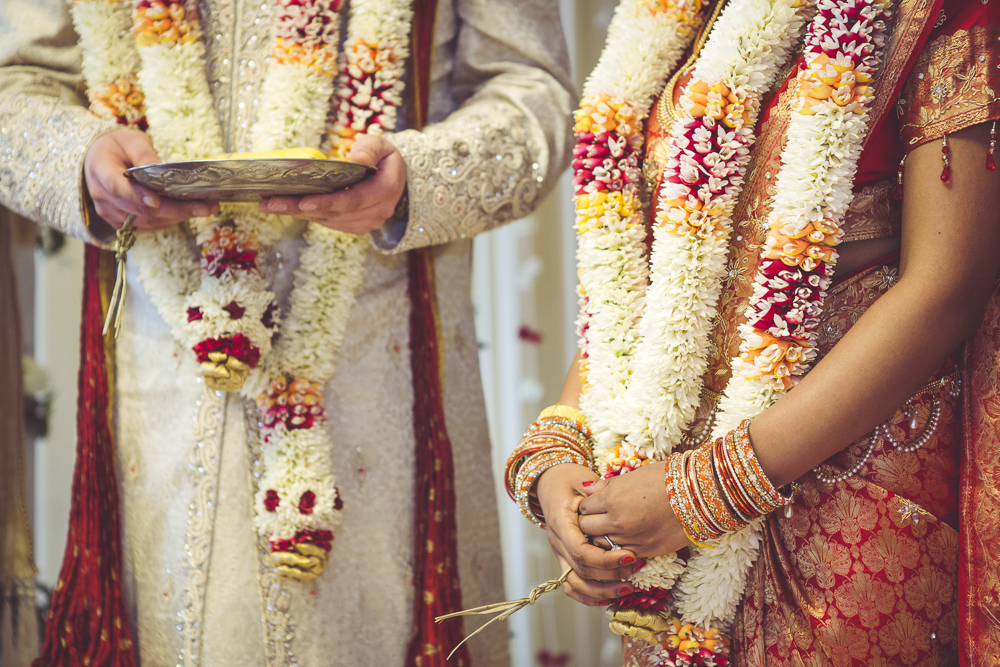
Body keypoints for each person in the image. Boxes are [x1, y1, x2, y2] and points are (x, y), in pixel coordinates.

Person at [0, 0, 573, 665]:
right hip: (163, 373)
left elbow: (535, 93)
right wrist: (83, 159)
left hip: (378, 372)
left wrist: (412, 179)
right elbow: (14, 87)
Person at [505, 0, 1000, 663]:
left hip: (849, 500)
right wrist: (563, 450)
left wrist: (712, 486)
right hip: (667, 502)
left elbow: (948, 287)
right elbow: (647, 280)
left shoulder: (941, 10)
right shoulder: (686, 15)